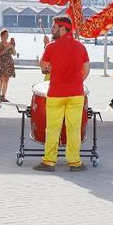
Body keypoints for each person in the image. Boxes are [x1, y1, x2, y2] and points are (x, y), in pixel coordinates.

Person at [33, 16, 90, 172]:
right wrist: (77, 81)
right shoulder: (81, 46)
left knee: (52, 128)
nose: (52, 29)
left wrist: (48, 57)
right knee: (74, 128)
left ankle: (49, 161)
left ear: (62, 28)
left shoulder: (52, 46)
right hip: (76, 93)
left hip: (56, 92)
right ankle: (75, 162)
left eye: (54, 27)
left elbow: (43, 67)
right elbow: (86, 69)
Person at [0, 29, 16, 103]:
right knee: (1, 79)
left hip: (9, 63)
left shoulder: (9, 43)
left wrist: (12, 47)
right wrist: (6, 48)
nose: (7, 36)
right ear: (2, 35)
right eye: (5, 35)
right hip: (2, 62)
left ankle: (3, 96)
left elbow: (14, 53)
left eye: (7, 35)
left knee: (7, 80)